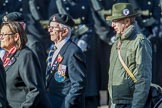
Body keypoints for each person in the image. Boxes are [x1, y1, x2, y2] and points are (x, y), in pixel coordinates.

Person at [106, 3, 152, 108]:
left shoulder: (140, 42)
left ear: (127, 22)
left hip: (130, 103)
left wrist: (136, 106)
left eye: (115, 21)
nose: (112, 25)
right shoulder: (116, 43)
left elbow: (143, 79)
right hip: (116, 102)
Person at [0, 21, 51, 108]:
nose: (1, 37)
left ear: (16, 37)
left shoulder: (26, 55)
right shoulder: (8, 57)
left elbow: (35, 90)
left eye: (4, 34)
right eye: (0, 34)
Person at [46, 13, 87, 108]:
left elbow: (78, 84)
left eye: (53, 28)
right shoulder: (54, 49)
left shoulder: (73, 52)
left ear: (64, 31)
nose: (49, 30)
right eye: (49, 27)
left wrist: (66, 104)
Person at [2, 12, 47, 83]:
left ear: (19, 27)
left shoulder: (32, 44)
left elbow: (40, 73)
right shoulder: (10, 45)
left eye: (8, 27)